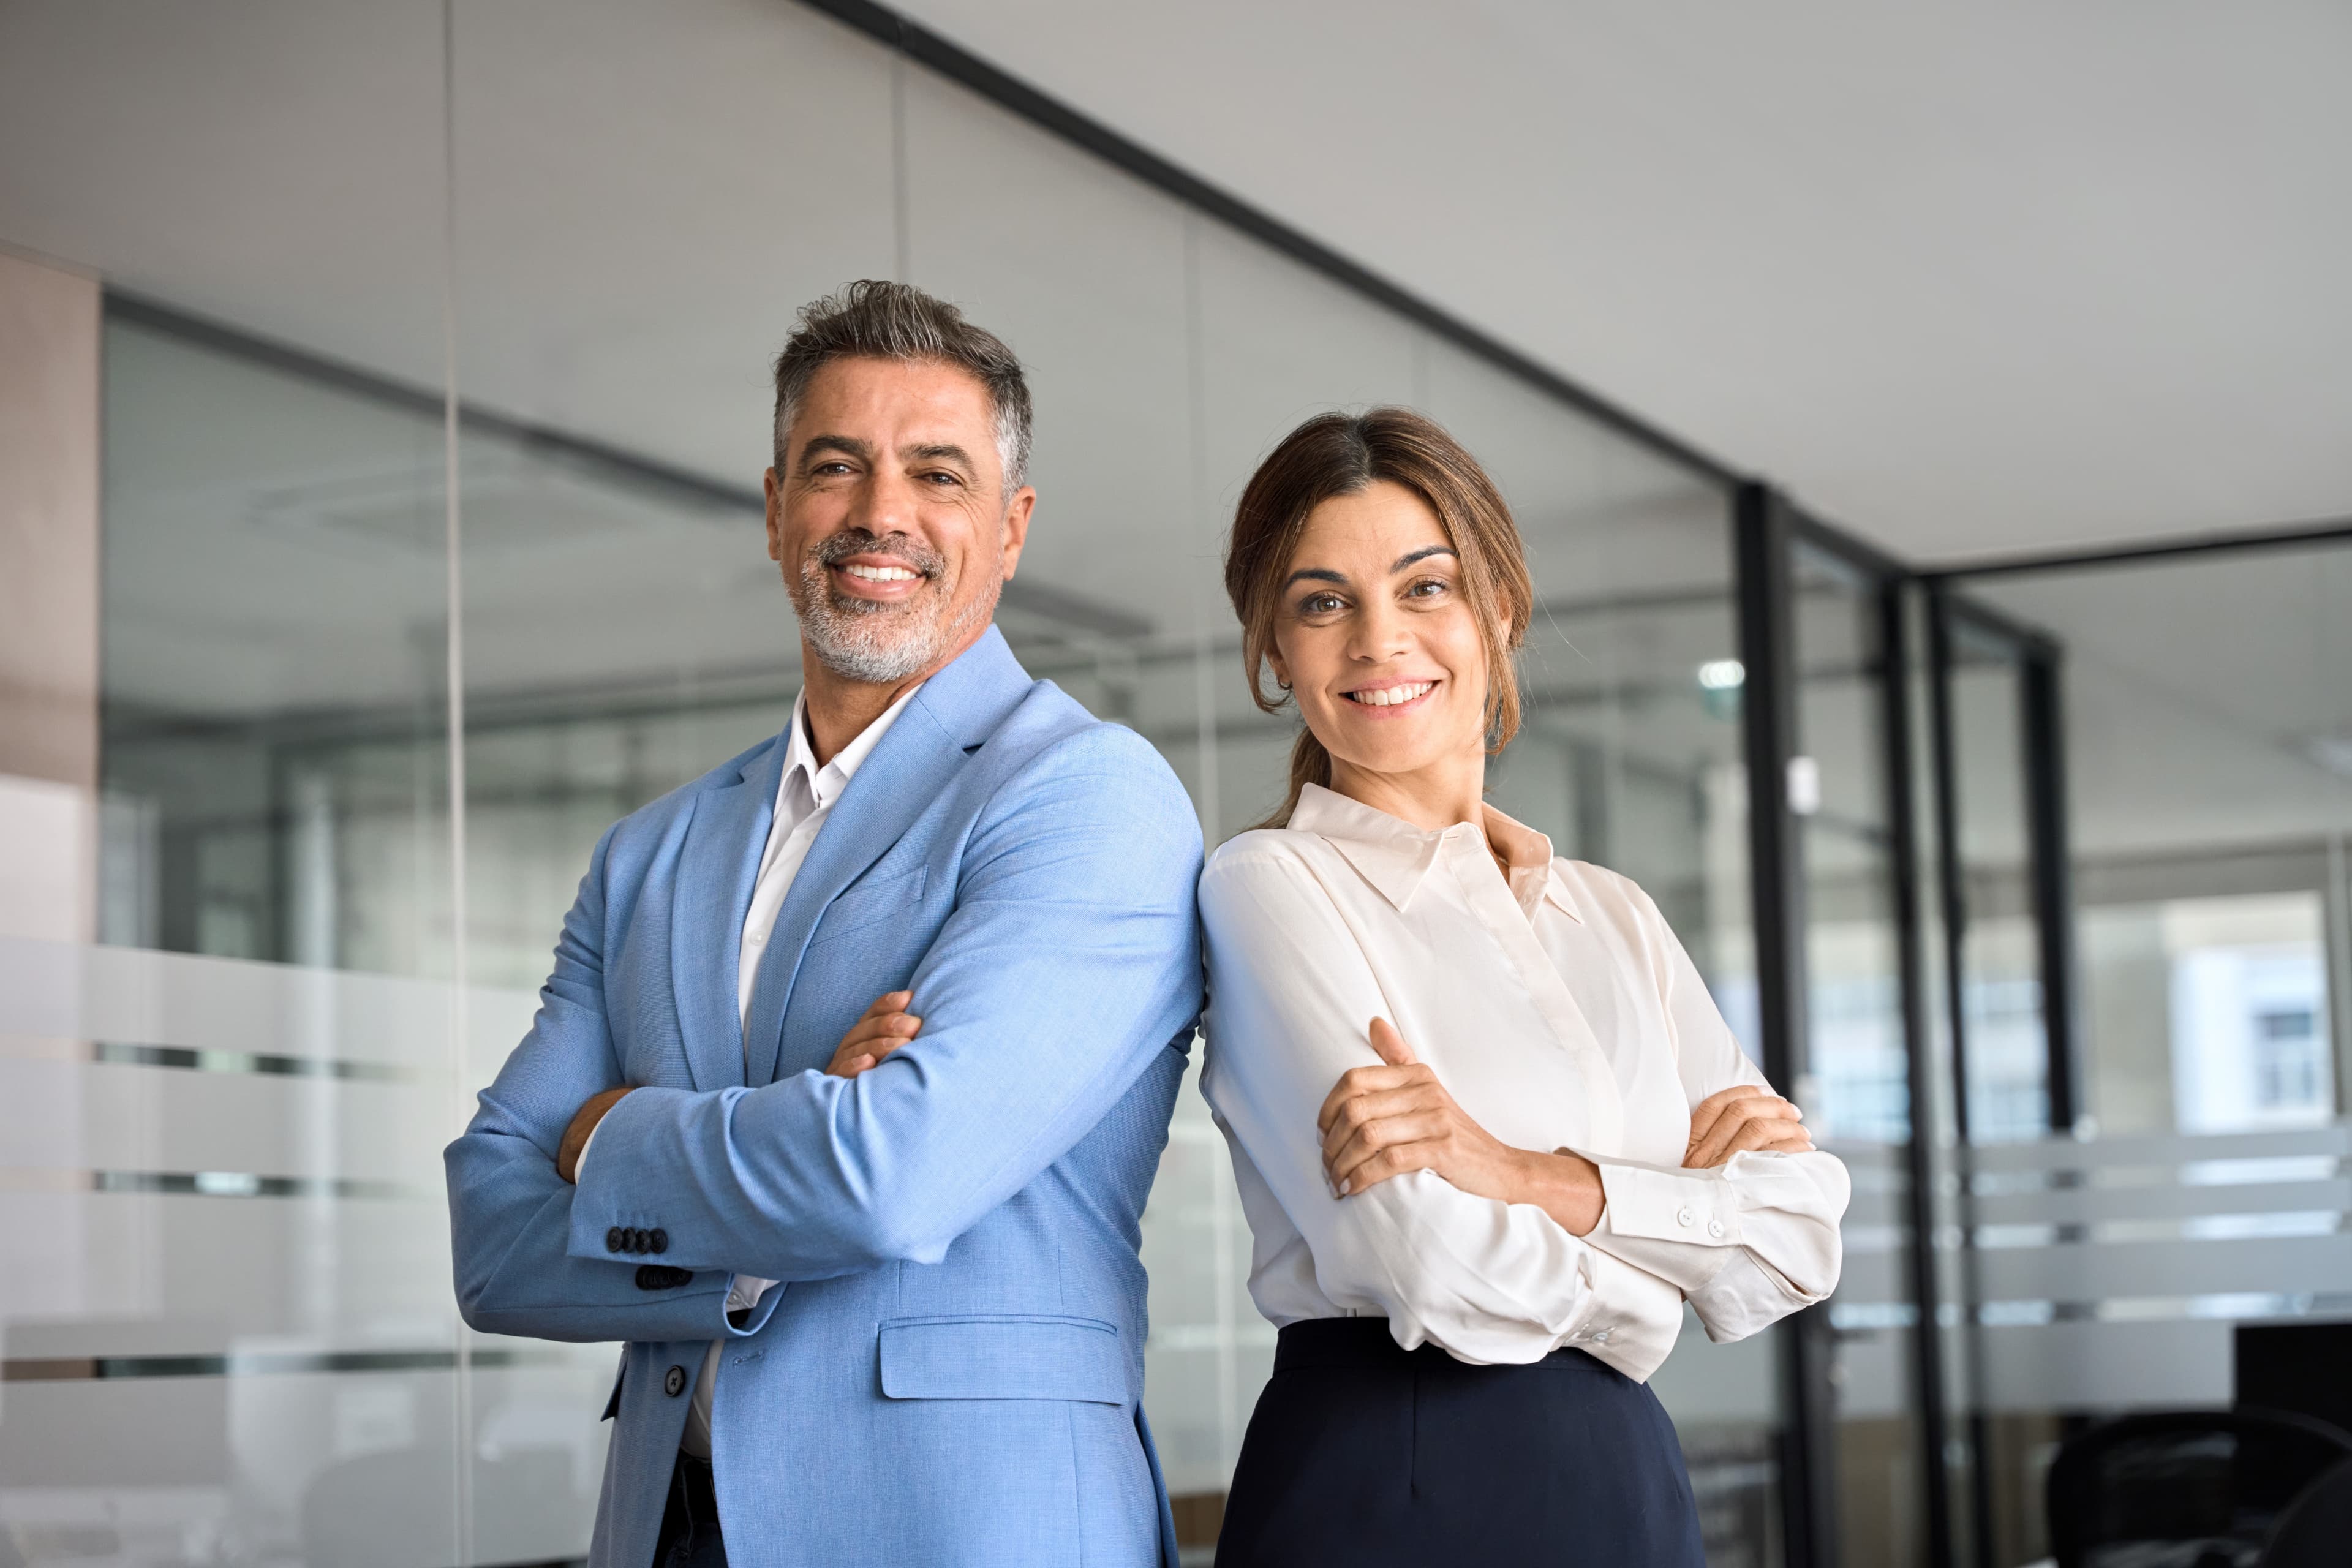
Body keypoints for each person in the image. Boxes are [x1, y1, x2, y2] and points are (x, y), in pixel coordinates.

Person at [444, 281, 1204, 1568]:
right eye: (835, 465)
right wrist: (781, 1177)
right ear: (776, 506)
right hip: (668, 1530)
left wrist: (604, 1132)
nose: (880, 512)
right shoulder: (651, 853)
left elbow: (887, 1175)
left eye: (938, 473)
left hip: (966, 1530)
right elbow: (488, 1233)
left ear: (1012, 528)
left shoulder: (1087, 794)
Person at [1198, 409, 1850, 1566]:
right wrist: (1665, 1275)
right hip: (1395, 1473)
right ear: (1275, 652)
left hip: (1626, 1478)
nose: (1377, 640)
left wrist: (1516, 1174)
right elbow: (1429, 1270)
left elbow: (1797, 1244)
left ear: (1500, 612)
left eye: (1425, 588)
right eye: (1321, 602)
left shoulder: (1614, 916)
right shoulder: (1273, 885)